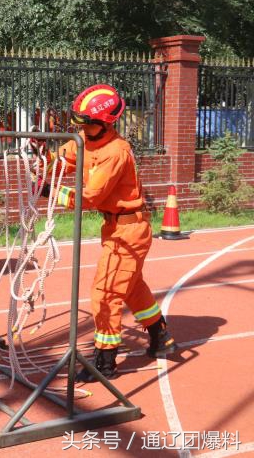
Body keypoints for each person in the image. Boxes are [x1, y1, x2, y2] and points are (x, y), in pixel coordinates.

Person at [37, 84, 178, 382]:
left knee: (106, 292)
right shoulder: (85, 140)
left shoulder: (116, 152)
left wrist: (51, 192)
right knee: (132, 287)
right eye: (79, 124)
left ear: (105, 123)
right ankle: (160, 334)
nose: (81, 129)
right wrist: (42, 158)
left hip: (130, 230)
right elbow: (63, 158)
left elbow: (91, 196)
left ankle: (105, 361)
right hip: (115, 227)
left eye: (86, 123)